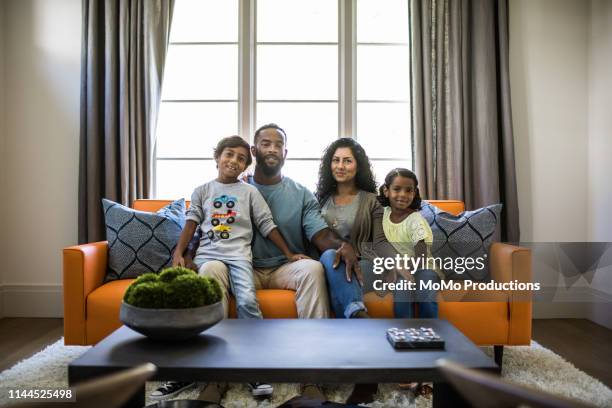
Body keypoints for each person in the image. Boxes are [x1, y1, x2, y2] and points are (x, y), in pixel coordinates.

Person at [151, 135, 308, 400]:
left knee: (247, 301)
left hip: (239, 257)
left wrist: (289, 253)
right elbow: (191, 222)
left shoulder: (249, 192)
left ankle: (254, 366)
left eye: (241, 158)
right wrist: (179, 253)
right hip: (208, 256)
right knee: (202, 302)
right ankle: (193, 370)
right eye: (229, 155)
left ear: (247, 164)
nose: (234, 161)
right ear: (217, 157)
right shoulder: (202, 190)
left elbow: (267, 225)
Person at [315, 138, 401, 319]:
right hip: (329, 265)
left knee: (336, 283)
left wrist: (392, 265)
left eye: (347, 161)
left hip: (364, 264)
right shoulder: (319, 201)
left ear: (358, 166)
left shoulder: (372, 201)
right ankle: (358, 316)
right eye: (336, 160)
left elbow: (381, 241)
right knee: (331, 256)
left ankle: (353, 314)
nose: (340, 166)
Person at [378, 168, 442, 318]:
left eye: (408, 191)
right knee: (401, 294)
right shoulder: (382, 213)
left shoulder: (415, 220)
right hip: (398, 269)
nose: (403, 195)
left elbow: (421, 256)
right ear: (386, 191)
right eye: (397, 189)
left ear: (414, 193)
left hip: (424, 268)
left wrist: (402, 270)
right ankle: (404, 335)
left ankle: (430, 335)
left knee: (425, 293)